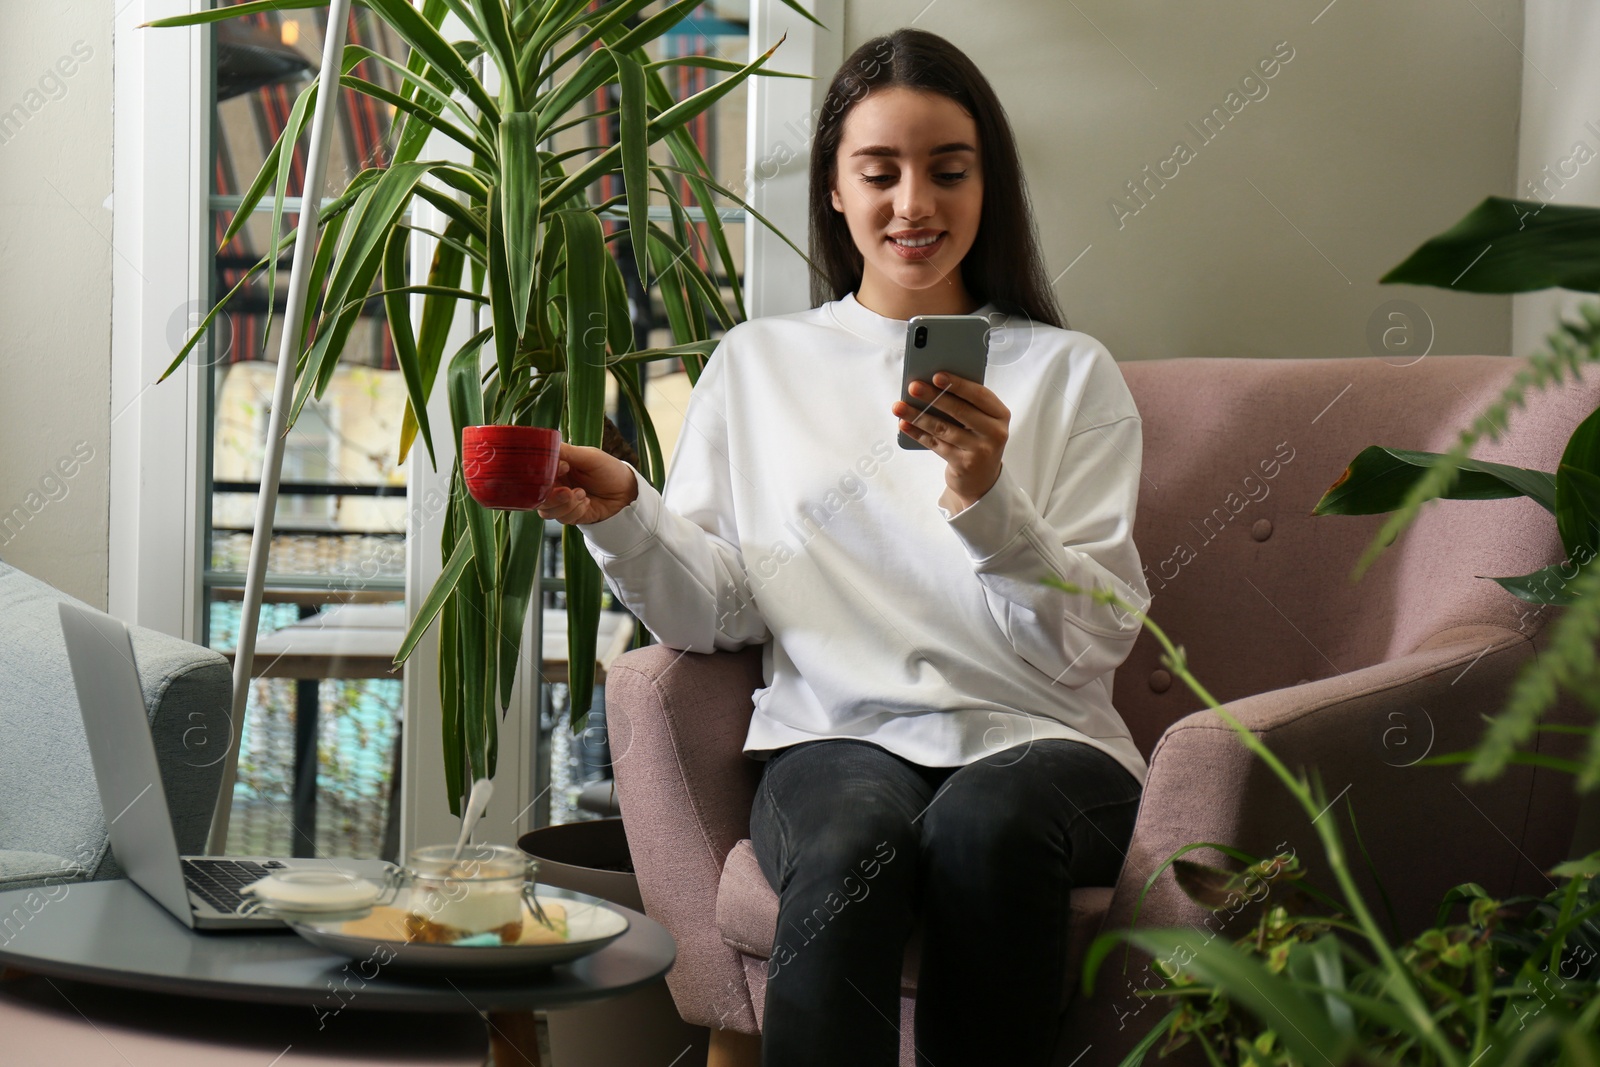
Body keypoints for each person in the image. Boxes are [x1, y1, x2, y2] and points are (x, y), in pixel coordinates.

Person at [537, 26, 1151, 1067]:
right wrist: (626, 513)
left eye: (947, 172)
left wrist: (985, 494)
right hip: (834, 737)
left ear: (986, 184)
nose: (914, 204)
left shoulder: (1067, 372)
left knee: (984, 826)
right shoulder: (758, 362)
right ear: (833, 186)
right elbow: (718, 610)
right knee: (847, 840)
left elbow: (1091, 643)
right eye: (881, 171)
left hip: (1043, 742)